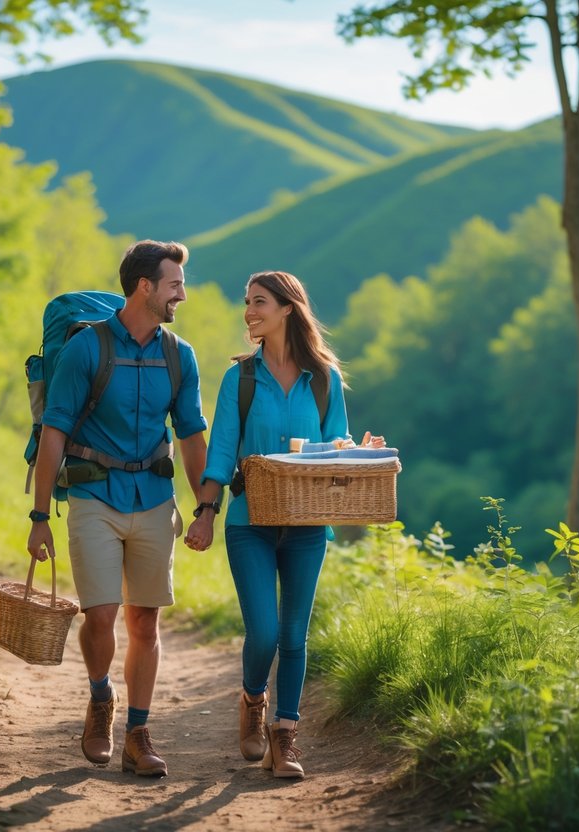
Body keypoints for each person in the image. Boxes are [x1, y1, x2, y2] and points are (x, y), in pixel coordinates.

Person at [184, 270, 385, 779]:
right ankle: (253, 698)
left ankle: (285, 739)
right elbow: (222, 451)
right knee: (266, 632)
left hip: (308, 523)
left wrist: (358, 452)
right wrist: (205, 512)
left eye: (259, 303)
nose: (250, 312)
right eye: (247, 303)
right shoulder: (241, 379)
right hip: (249, 520)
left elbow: (334, 445)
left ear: (288, 309)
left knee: (294, 636)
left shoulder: (325, 379)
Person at [27, 240, 208, 779]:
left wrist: (206, 506)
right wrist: (39, 518)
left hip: (154, 498)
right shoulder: (88, 349)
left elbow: (193, 435)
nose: (182, 293)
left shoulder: (180, 355)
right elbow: (54, 432)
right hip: (93, 496)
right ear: (145, 287)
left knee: (145, 623)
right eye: (174, 283)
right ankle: (101, 697)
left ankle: (138, 731)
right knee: (101, 614)